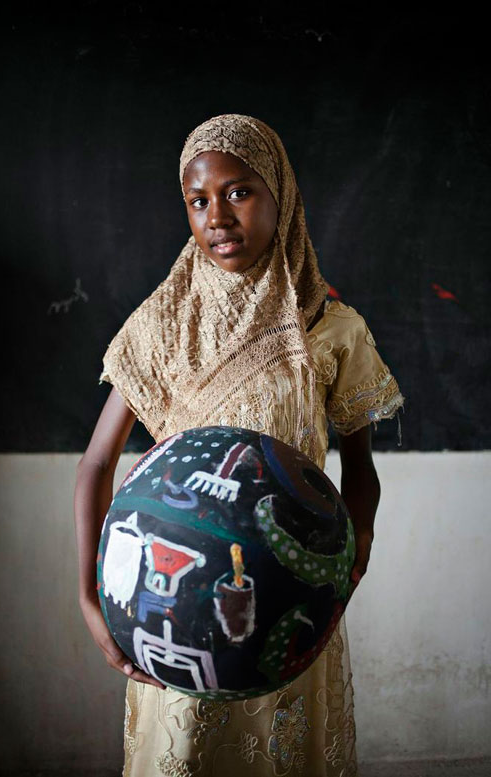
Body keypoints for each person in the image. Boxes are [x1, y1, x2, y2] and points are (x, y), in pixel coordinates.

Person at [74, 114, 403, 776]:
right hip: (175, 610)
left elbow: (359, 467)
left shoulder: (328, 330)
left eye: (239, 191)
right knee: (187, 751)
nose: (217, 215)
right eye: (199, 200)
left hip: (288, 603)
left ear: (281, 195)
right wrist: (89, 590)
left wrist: (354, 551)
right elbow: (97, 462)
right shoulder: (161, 326)